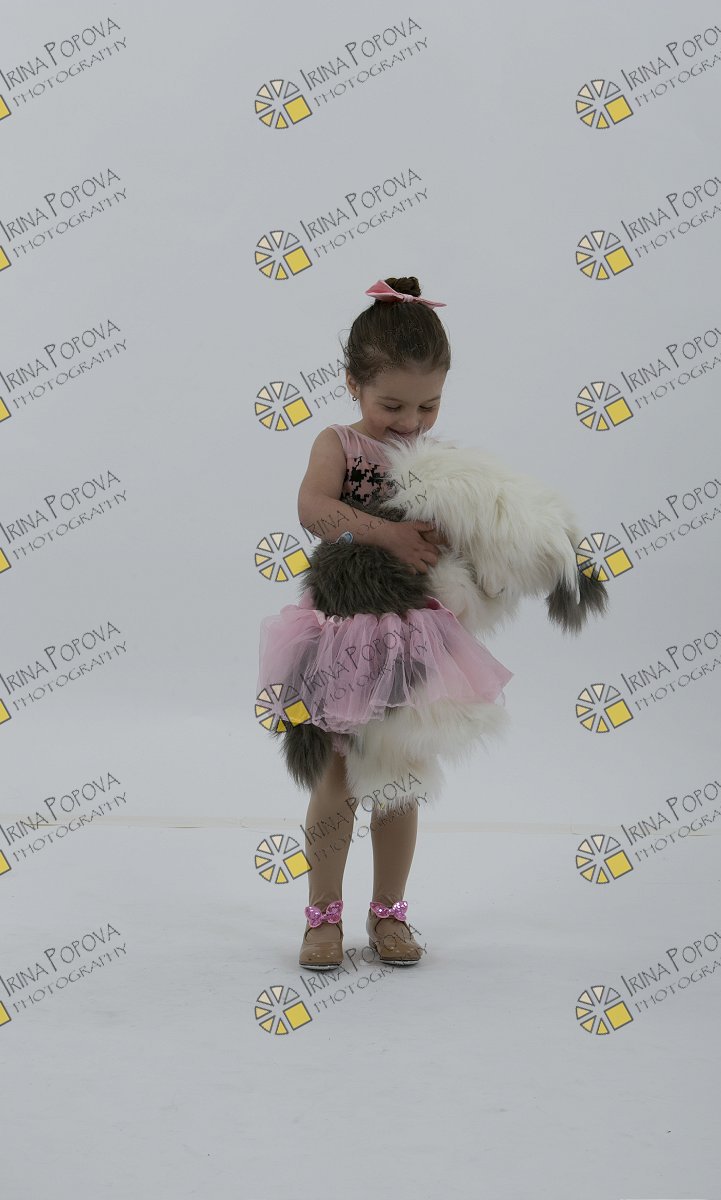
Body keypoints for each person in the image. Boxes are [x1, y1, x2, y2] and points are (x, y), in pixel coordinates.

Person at [257, 275, 513, 971]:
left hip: (411, 637)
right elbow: (314, 511)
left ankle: (389, 912)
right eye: (392, 404)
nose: (409, 422)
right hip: (344, 631)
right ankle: (323, 915)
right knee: (337, 777)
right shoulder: (339, 445)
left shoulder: (436, 459)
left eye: (428, 405)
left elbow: (462, 528)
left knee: (400, 774)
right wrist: (386, 535)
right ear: (353, 384)